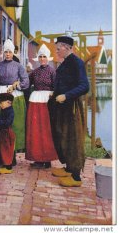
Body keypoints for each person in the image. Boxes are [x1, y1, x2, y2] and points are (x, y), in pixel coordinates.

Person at [48, 36, 89, 187]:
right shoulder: (65, 63)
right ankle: (69, 169)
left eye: (58, 48)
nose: (57, 51)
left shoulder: (77, 63)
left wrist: (66, 95)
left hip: (71, 107)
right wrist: (55, 93)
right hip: (61, 106)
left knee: (73, 139)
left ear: (67, 47)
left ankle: (76, 177)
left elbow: (84, 86)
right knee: (62, 136)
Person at [0, 39, 29, 165]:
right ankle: (0, 154)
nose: (8, 54)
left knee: (13, 126)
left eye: (10, 52)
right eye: (6, 52)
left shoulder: (18, 66)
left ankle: (12, 155)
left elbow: (26, 82)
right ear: (3, 52)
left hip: (14, 97)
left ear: (13, 53)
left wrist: (17, 85)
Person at [26, 44, 58, 169]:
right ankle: (38, 158)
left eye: (44, 56)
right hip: (35, 101)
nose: (42, 59)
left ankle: (47, 159)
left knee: (46, 130)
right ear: (38, 58)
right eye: (40, 57)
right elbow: (26, 84)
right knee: (35, 130)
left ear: (48, 58)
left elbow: (56, 87)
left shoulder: (52, 71)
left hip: (47, 102)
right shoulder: (34, 72)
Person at [0, 93, 15, 174]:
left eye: (2, 103)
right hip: (3, 132)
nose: (0, 105)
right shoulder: (5, 110)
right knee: (3, 149)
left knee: (7, 149)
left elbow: (8, 122)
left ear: (9, 102)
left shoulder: (10, 112)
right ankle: (5, 164)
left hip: (7, 132)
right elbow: (0, 115)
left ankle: (8, 168)